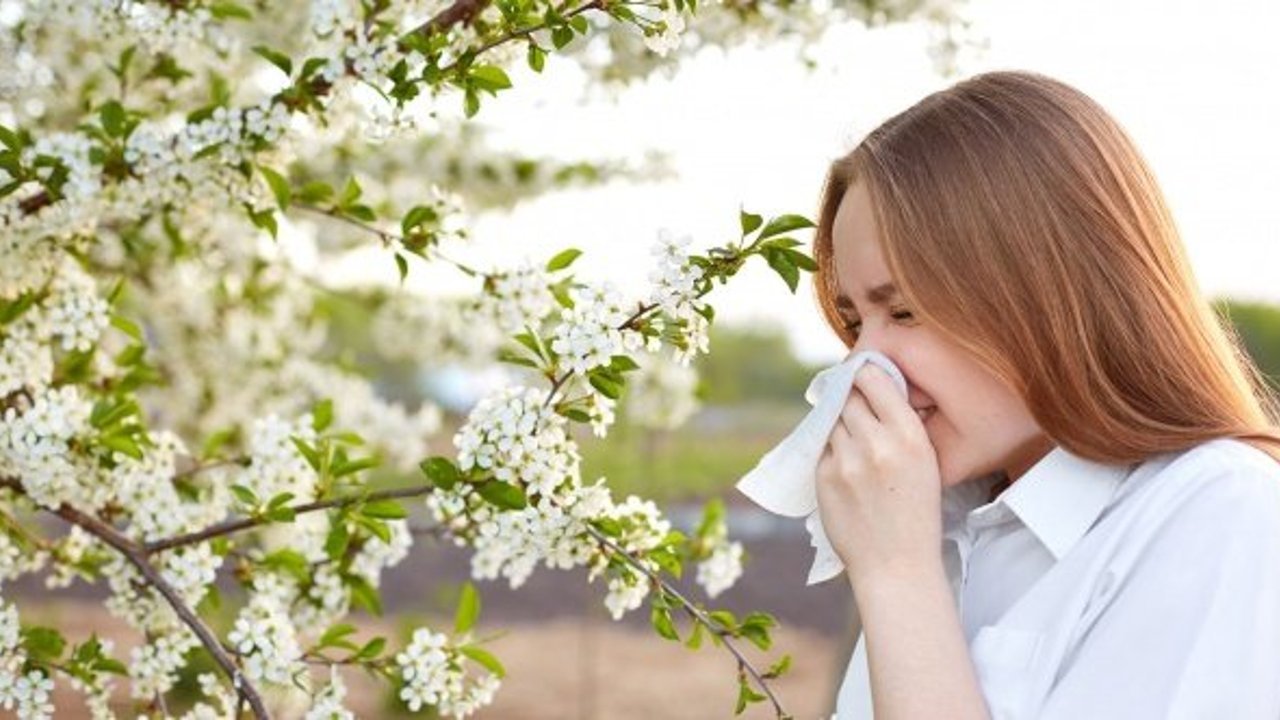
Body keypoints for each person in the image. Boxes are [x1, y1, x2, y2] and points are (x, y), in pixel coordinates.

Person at [810, 69, 1280, 719]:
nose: (864, 367)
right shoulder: (940, 526)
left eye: (905, 313)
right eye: (855, 322)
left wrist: (897, 577)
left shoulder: (1221, 513)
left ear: (1048, 295)